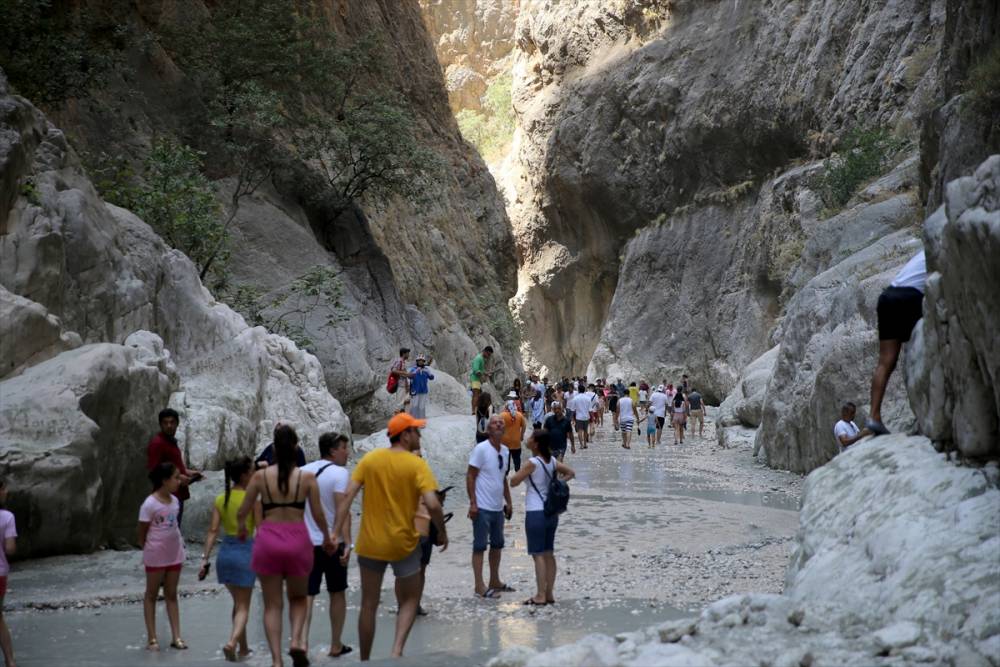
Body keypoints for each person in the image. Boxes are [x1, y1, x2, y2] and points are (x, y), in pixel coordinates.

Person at [330, 413, 448, 661]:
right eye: (416, 431)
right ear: (405, 435)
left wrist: (334, 533)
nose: (419, 435)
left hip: (370, 544)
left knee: (369, 605)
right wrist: (442, 532)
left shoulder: (370, 460)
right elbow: (433, 504)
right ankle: (396, 651)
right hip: (404, 544)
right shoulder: (417, 465)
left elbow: (347, 497)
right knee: (410, 599)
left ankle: (365, 659)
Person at [237, 425, 334, 667]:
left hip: (268, 540)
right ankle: (296, 641)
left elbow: (243, 510)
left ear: (274, 448)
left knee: (272, 605)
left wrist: (242, 529)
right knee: (299, 598)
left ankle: (277, 660)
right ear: (295, 447)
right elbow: (319, 514)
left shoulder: (260, 477)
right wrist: (327, 538)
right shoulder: (306, 477)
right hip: (298, 540)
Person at [199, 457, 261, 662]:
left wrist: (204, 559)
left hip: (224, 554)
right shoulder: (253, 500)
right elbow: (261, 531)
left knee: (237, 603)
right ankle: (232, 642)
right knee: (244, 606)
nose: (255, 474)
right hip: (245, 553)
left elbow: (213, 531)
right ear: (244, 475)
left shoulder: (220, 499)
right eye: (252, 471)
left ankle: (243, 649)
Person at [297, 433, 353, 658]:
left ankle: (301, 643)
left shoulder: (303, 471)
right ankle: (335, 645)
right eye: (343, 448)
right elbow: (343, 509)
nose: (347, 452)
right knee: (337, 592)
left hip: (306, 542)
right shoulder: (340, 473)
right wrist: (346, 542)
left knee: (307, 594)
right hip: (332, 541)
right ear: (332, 451)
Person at [509, 430, 576, 606]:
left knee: (537, 554)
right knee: (549, 553)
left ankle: (539, 595)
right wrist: (559, 483)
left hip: (535, 511)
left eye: (530, 437)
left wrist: (521, 471)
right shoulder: (551, 461)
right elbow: (570, 472)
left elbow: (514, 481)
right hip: (551, 512)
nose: (527, 439)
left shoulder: (532, 462)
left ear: (536, 444)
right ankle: (549, 593)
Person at [869, 251, 927, 435]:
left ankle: (874, 416)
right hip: (910, 296)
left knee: (885, 361)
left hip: (888, 295)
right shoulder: (948, 244)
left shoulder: (921, 253)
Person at [139, 462, 187, 651]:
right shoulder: (149, 504)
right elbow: (142, 531)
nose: (179, 480)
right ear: (165, 481)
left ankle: (177, 636)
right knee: (151, 594)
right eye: (176, 477)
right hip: (156, 554)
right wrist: (148, 547)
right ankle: (152, 638)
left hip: (175, 553)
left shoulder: (175, 501)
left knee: (172, 594)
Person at [467, 415, 513, 599]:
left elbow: (502, 478)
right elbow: (470, 476)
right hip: (482, 506)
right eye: (495, 422)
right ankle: (479, 585)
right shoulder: (481, 449)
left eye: (501, 422)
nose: (499, 424)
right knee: (479, 546)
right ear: (488, 429)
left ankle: (495, 580)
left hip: (497, 507)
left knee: (497, 545)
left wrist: (509, 502)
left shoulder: (505, 451)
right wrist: (472, 503)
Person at [146, 408, 202, 526]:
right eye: (165, 423)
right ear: (160, 424)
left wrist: (188, 472)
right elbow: (153, 471)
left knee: (173, 532)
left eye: (172, 422)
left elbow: (170, 465)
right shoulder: (158, 443)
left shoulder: (170, 442)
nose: (169, 426)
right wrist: (178, 478)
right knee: (166, 532)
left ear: (177, 423)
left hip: (176, 495)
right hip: (166, 498)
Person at [0, 478, 17, 667]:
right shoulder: (7, 517)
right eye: (4, 488)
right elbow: (10, 548)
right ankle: (10, 660)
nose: (7, 492)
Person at [501, 394, 527, 472]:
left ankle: (506, 475)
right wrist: (521, 435)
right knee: (517, 459)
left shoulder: (502, 415)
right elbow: (524, 426)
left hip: (505, 443)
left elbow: (498, 427)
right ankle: (517, 473)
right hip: (516, 442)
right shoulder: (519, 415)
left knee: (506, 460)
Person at [408, 355, 435, 420]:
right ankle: (413, 421)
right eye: (419, 361)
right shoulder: (413, 369)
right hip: (415, 390)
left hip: (423, 390)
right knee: (414, 405)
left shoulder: (426, 369)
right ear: (417, 361)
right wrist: (415, 371)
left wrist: (431, 375)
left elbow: (431, 378)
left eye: (422, 361)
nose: (420, 362)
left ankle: (422, 421)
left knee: (422, 406)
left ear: (424, 362)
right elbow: (409, 376)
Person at [470, 345, 494, 415]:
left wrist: (486, 373)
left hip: (478, 380)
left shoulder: (482, 359)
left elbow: (481, 370)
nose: (488, 356)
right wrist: (481, 374)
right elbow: (476, 370)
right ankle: (473, 411)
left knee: (478, 395)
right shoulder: (478, 358)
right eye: (488, 354)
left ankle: (476, 410)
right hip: (475, 379)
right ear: (485, 351)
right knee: (476, 395)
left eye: (490, 355)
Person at [390, 347, 414, 413]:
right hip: (400, 386)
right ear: (404, 353)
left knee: (407, 403)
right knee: (400, 404)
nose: (409, 355)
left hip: (405, 386)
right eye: (408, 353)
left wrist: (408, 376)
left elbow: (403, 374)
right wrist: (405, 373)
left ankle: (405, 420)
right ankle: (398, 421)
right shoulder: (399, 361)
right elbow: (393, 370)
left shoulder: (403, 362)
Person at [571, 383, 592, 450]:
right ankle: (585, 444)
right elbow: (590, 410)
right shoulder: (588, 398)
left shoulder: (575, 398)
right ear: (584, 390)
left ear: (578, 390)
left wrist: (572, 419)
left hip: (578, 417)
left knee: (579, 431)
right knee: (585, 431)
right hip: (586, 417)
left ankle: (581, 445)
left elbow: (573, 410)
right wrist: (593, 418)